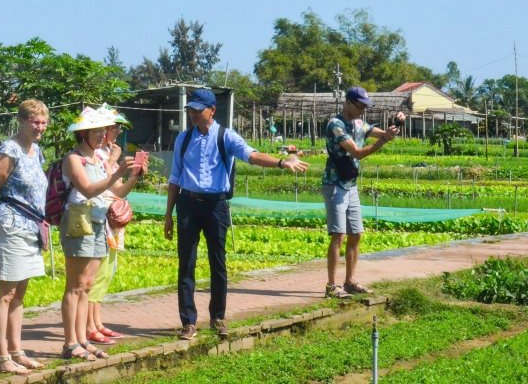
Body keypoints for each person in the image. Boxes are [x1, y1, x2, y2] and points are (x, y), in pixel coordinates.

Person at [164, 88, 309, 341]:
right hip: (187, 204)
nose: (194, 114)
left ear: (212, 111)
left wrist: (279, 162)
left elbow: (250, 155)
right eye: (191, 110)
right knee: (186, 263)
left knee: (217, 263)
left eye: (199, 110)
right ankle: (188, 322)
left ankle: (217, 317)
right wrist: (168, 214)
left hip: (215, 205)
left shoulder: (226, 136)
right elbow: (175, 176)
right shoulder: (183, 139)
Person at [60, 107, 143, 361]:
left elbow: (117, 192)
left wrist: (133, 176)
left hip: (98, 223)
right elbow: (87, 189)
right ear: (83, 133)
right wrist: (116, 172)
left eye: (102, 129)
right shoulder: (74, 159)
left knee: (87, 286)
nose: (101, 134)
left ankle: (82, 339)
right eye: (95, 130)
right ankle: (70, 342)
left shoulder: (99, 159)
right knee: (75, 286)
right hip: (79, 222)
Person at [0, 100, 51, 375]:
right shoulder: (9, 150)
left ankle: (16, 351)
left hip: (31, 228)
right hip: (9, 227)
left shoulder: (37, 152)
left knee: (20, 293)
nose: (40, 127)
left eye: (44, 122)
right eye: (35, 121)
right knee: (5, 293)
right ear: (21, 121)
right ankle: (1, 357)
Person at [322, 86, 400, 299]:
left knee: (356, 234)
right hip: (335, 184)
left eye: (366, 107)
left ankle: (350, 281)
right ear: (347, 102)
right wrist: (383, 141)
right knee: (338, 235)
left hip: (351, 184)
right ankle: (331, 285)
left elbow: (381, 133)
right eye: (360, 106)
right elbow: (357, 152)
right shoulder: (336, 125)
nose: (363, 110)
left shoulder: (359, 123)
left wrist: (395, 125)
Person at [85, 107, 131, 344]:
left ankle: (97, 321)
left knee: (107, 270)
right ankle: (88, 324)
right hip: (97, 217)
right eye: (112, 127)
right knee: (97, 270)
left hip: (111, 218)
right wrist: (114, 161)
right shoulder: (97, 155)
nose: (114, 132)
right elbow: (104, 182)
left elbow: (118, 186)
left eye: (114, 128)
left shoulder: (108, 152)